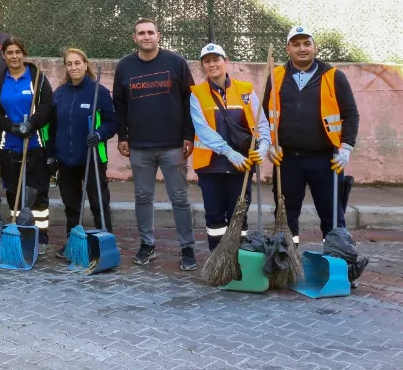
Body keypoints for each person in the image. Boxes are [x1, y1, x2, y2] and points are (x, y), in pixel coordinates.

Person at [263, 26, 360, 246]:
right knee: (286, 217)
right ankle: (287, 265)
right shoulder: (275, 75)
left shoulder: (333, 76)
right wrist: (269, 144)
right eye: (296, 44)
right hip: (286, 160)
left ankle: (339, 262)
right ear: (288, 49)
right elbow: (263, 116)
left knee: (333, 217)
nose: (302, 48)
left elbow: (351, 115)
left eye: (307, 43)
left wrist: (346, 148)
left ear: (315, 47)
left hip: (326, 159)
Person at [112, 17, 197, 270]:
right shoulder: (125, 66)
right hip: (139, 146)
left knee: (180, 198)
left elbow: (190, 101)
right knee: (142, 197)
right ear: (134, 38)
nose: (146, 36)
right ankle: (147, 244)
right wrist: (123, 136)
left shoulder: (176, 63)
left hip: (173, 145)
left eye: (150, 32)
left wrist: (189, 135)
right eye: (141, 33)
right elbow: (119, 104)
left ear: (158, 35)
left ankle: (187, 247)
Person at [190, 44, 270, 250]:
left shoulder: (245, 90)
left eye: (216, 59)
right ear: (202, 66)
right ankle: (218, 260)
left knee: (239, 215)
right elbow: (202, 128)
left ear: (226, 61)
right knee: (215, 217)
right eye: (207, 61)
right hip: (211, 166)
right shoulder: (197, 93)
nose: (212, 64)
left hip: (241, 166)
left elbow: (261, 123)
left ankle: (238, 258)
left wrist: (263, 147)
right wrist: (228, 152)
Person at [0, 37, 53, 249]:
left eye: (17, 52)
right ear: (3, 56)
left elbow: (47, 106)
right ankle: (18, 230)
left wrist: (31, 124)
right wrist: (9, 126)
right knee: (13, 191)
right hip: (8, 145)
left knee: (37, 193)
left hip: (35, 144)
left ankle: (40, 235)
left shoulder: (37, 77)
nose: (14, 56)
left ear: (24, 54)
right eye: (9, 53)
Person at [50, 48, 118, 236]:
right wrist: (51, 155)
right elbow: (53, 126)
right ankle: (74, 243)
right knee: (71, 206)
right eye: (69, 64)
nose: (73, 67)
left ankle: (104, 241)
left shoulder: (99, 92)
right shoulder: (60, 93)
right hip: (65, 159)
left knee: (99, 204)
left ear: (85, 64)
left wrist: (99, 133)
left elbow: (112, 122)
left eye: (77, 63)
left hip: (92, 157)